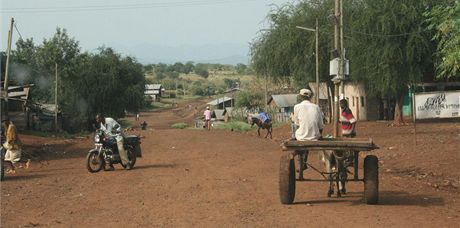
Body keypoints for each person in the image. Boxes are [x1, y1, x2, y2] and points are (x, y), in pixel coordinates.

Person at [292, 89, 325, 170]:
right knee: (307, 133)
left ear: (300, 97)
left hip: (301, 137)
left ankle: (301, 161)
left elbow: (297, 124)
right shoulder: (316, 107)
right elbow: (321, 126)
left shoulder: (296, 107)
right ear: (310, 97)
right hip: (315, 137)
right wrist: (319, 135)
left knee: (295, 129)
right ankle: (303, 162)